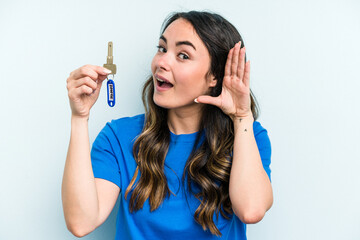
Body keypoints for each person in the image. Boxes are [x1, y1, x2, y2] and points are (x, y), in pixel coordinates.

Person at [62, 10, 273, 240]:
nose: (161, 62)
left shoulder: (248, 138)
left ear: (214, 76)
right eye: (162, 49)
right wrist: (79, 118)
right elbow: (81, 222)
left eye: (183, 55)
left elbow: (251, 210)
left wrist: (242, 116)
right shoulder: (119, 137)